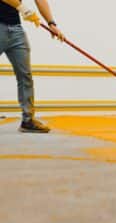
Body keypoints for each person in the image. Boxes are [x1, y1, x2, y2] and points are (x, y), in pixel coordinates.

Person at [0, 0, 64, 133]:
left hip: (16, 29)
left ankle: (28, 120)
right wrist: (23, 8)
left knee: (25, 75)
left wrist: (51, 23)